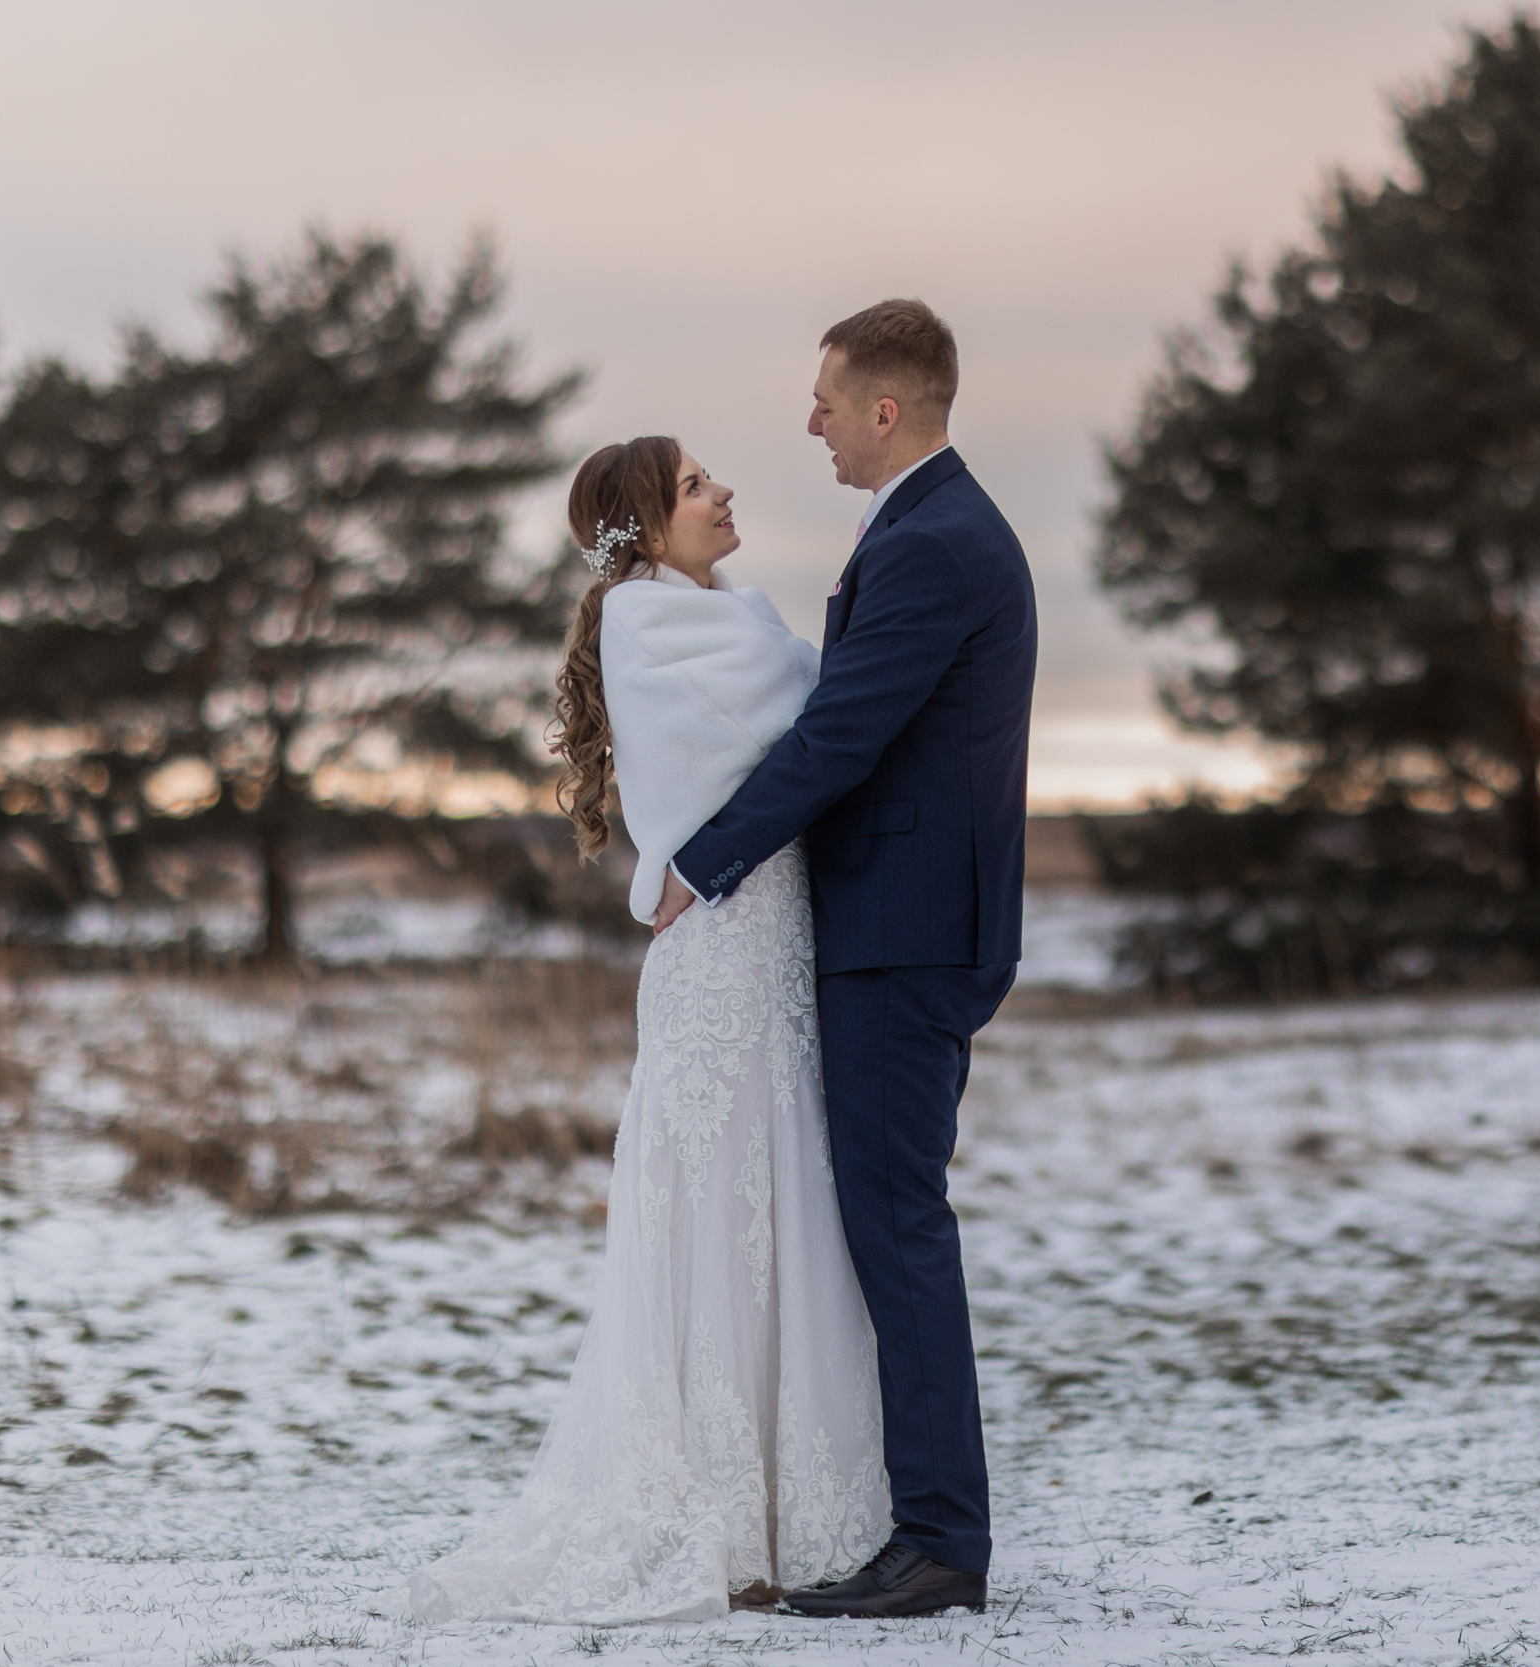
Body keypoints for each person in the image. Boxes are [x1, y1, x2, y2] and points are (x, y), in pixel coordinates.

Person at [407, 436, 889, 1625]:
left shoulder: (696, 612)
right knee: (728, 1216)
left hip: (763, 940)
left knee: (781, 1204)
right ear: (640, 522)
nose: (723, 493)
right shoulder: (654, 621)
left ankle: (786, 1510)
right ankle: (729, 1523)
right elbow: (815, 704)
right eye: (692, 486)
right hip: (722, 961)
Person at [654, 298, 1036, 1619]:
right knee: (890, 1224)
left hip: (901, 938)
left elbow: (844, 736)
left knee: (898, 1229)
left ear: (886, 407)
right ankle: (921, 1521)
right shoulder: (935, 527)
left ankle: (938, 1540)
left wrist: (705, 860)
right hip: (906, 927)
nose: (808, 422)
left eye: (826, 399)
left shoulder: (935, 541)